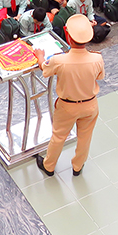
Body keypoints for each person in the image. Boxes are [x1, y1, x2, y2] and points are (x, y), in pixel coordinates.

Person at [34, 15, 105, 178]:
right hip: (90, 104)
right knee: (85, 137)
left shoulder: (59, 60)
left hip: (67, 106)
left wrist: (40, 56)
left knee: (59, 136)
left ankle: (49, 166)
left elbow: (45, 69)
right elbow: (99, 77)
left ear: (69, 36)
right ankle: (78, 166)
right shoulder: (97, 58)